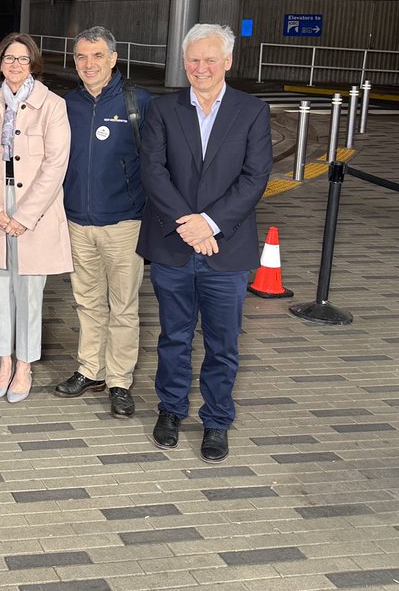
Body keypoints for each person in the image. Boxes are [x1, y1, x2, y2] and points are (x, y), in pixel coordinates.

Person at [139, 23, 272, 463]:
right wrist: (188, 225)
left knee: (223, 343)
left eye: (210, 59)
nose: (201, 68)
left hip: (226, 250)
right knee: (173, 336)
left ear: (228, 62)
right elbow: (154, 171)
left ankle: (216, 421)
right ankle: (171, 410)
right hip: (175, 247)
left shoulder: (252, 111)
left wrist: (210, 224)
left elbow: (255, 178)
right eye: (193, 59)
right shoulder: (163, 109)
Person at [0, 33, 71, 403]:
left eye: (22, 59)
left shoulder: (53, 105)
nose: (14, 64)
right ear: (0, 62)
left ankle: (25, 365)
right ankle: (4, 362)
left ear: (33, 64)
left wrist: (24, 215)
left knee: (29, 290)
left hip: (34, 207)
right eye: (8, 58)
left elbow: (56, 165)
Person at [54, 27, 151, 418]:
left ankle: (120, 381)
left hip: (125, 223)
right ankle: (90, 369)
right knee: (87, 301)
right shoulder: (66, 105)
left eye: (97, 56)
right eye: (81, 57)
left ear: (114, 58)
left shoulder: (138, 102)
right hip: (77, 222)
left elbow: (158, 164)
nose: (88, 64)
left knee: (123, 306)